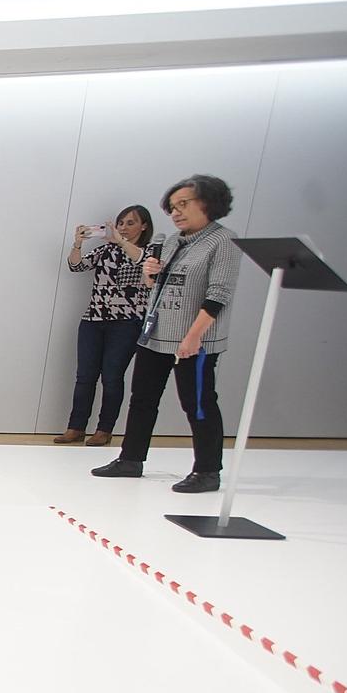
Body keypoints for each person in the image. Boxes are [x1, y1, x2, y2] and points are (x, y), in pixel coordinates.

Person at [93, 175, 243, 493]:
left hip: (195, 341)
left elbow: (219, 294)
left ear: (209, 203)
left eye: (184, 204)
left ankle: (207, 471)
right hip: (157, 334)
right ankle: (131, 459)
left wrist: (193, 337)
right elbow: (159, 288)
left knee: (198, 403)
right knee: (143, 399)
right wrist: (150, 277)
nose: (176, 212)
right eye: (172, 207)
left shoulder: (223, 241)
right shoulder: (173, 240)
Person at [58, 206, 155, 446]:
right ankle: (76, 427)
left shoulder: (149, 251)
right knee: (85, 376)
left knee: (112, 376)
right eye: (121, 223)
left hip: (126, 322)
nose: (123, 227)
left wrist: (121, 241)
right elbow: (77, 266)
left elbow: (141, 261)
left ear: (144, 226)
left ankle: (104, 429)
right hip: (93, 320)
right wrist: (78, 244)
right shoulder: (106, 250)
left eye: (130, 223)